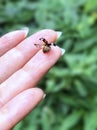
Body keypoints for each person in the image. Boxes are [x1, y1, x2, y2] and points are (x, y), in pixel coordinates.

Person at [0, 28, 65, 129]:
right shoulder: (47, 46)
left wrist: (45, 44)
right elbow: (47, 45)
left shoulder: (46, 46)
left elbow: (44, 45)